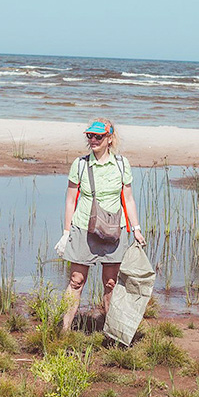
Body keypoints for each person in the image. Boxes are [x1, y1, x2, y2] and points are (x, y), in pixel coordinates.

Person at [54, 119, 146, 331]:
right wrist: (66, 232)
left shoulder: (122, 164)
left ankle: (112, 332)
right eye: (90, 136)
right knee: (76, 280)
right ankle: (63, 331)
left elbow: (129, 199)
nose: (93, 140)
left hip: (115, 229)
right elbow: (70, 200)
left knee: (111, 283)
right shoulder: (79, 164)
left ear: (109, 138)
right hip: (83, 228)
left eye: (98, 136)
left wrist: (137, 229)